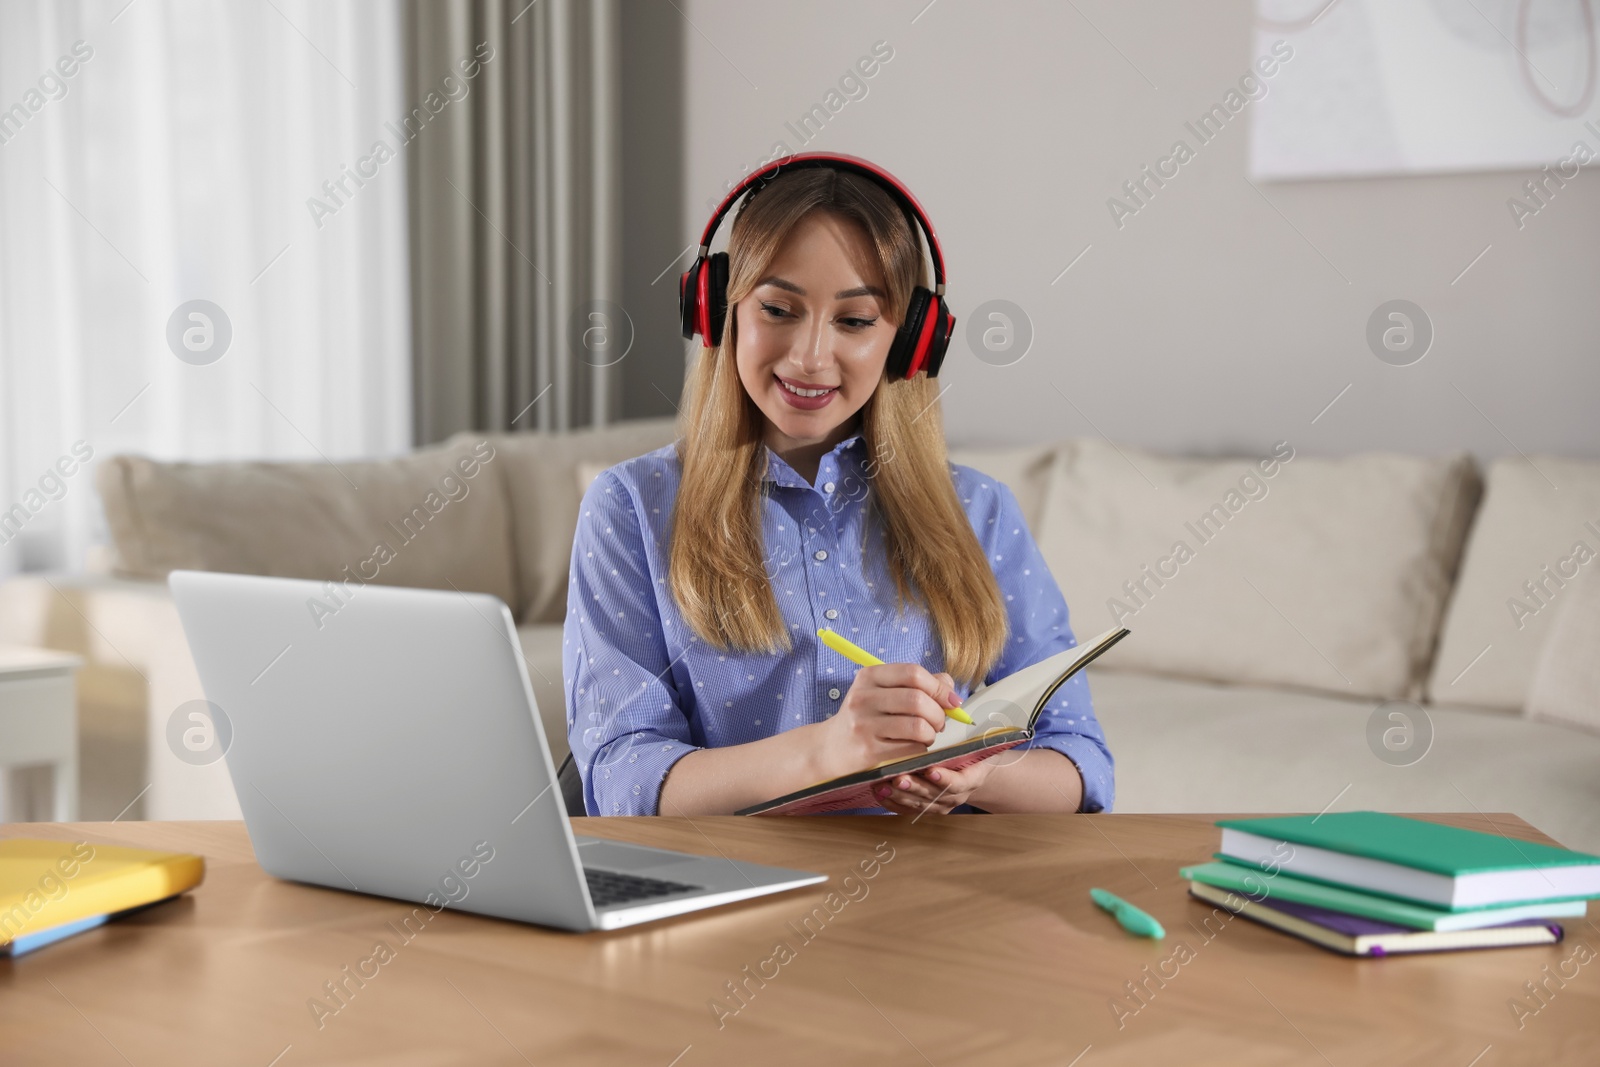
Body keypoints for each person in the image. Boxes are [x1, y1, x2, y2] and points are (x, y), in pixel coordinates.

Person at [562, 156, 1112, 817]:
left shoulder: (981, 510)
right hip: (738, 892)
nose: (809, 355)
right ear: (720, 310)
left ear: (908, 341)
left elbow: (1080, 764)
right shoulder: (631, 507)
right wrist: (826, 752)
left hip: (934, 893)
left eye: (854, 321)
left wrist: (972, 771)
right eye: (778, 308)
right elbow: (619, 780)